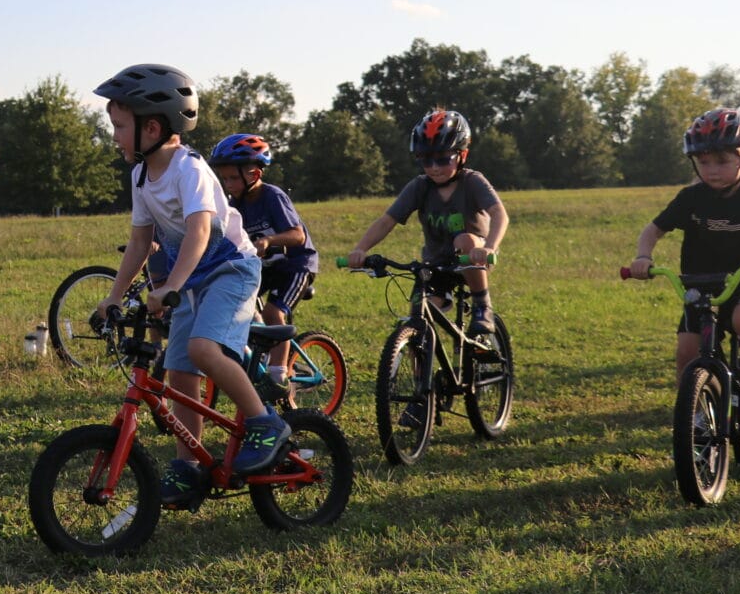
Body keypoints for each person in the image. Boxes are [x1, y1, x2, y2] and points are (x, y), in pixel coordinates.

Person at [93, 64, 285, 507]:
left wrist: (170, 288)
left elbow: (200, 232)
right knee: (179, 371)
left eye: (120, 127)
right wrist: (113, 297)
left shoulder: (188, 168)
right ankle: (188, 468)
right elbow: (141, 241)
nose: (116, 136)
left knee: (202, 349)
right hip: (191, 279)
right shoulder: (141, 176)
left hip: (231, 269)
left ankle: (263, 421)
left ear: (153, 127)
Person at [628, 108, 740, 413]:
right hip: (701, 282)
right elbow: (653, 230)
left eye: (722, 161)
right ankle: (695, 417)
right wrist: (643, 256)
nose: (712, 170)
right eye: (704, 162)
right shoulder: (690, 198)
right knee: (686, 351)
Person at [345, 109, 510, 340]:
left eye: (443, 159)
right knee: (417, 320)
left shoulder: (473, 182)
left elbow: (499, 214)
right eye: (426, 159)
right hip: (435, 265)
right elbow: (386, 221)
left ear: (462, 155)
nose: (434, 166)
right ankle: (419, 371)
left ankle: (483, 306)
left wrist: (489, 247)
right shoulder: (420, 187)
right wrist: (361, 249)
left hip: (474, 259)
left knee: (464, 239)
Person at [209, 133, 318, 403]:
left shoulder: (272, 196)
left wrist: (269, 240)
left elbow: (297, 235)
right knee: (241, 309)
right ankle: (269, 355)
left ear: (254, 173)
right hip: (264, 268)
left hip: (295, 265)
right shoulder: (235, 205)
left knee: (272, 312)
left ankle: (278, 376)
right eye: (224, 178)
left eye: (232, 178)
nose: (228, 184)